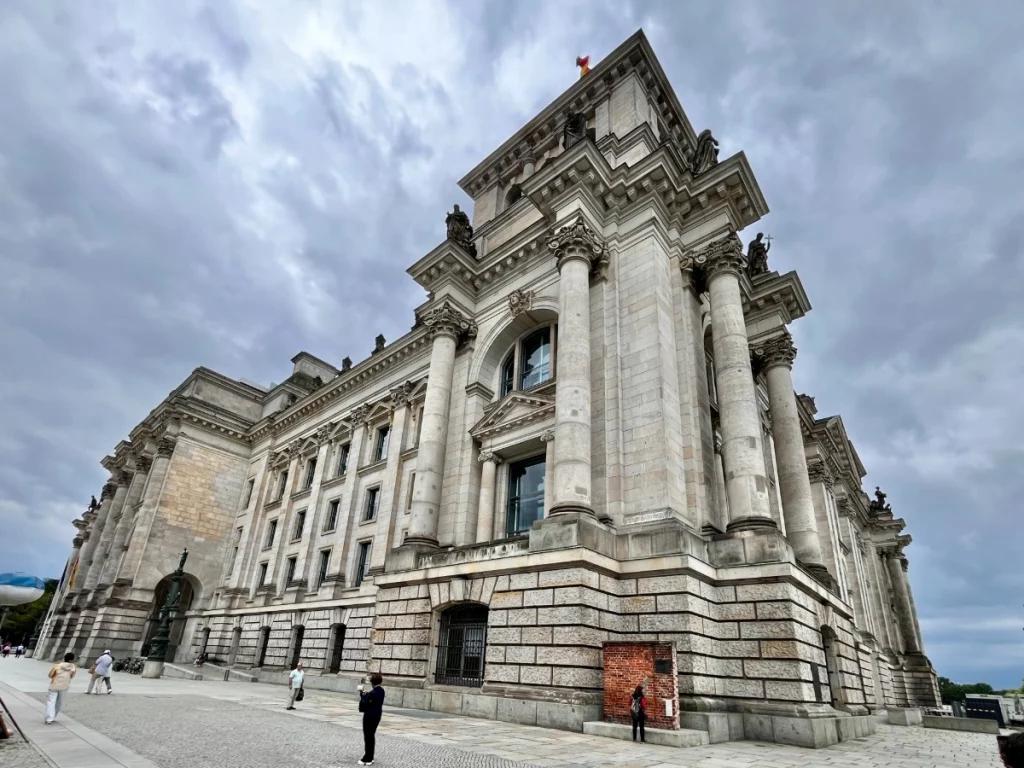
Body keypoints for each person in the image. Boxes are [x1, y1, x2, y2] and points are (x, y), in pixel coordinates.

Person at [358, 673, 385, 765]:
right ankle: (370, 756)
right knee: (371, 736)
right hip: (377, 715)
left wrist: (362, 695)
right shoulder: (381, 690)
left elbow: (364, 704)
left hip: (369, 716)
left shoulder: (373, 693)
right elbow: (372, 698)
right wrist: (366, 695)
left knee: (368, 736)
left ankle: (368, 758)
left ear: (372, 682)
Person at [45, 653, 77, 724]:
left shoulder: (57, 666)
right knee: (59, 702)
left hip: (54, 685)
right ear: (71, 660)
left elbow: (50, 675)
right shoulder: (73, 667)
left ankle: (49, 718)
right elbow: (72, 676)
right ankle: (53, 716)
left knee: (51, 701)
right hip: (64, 686)